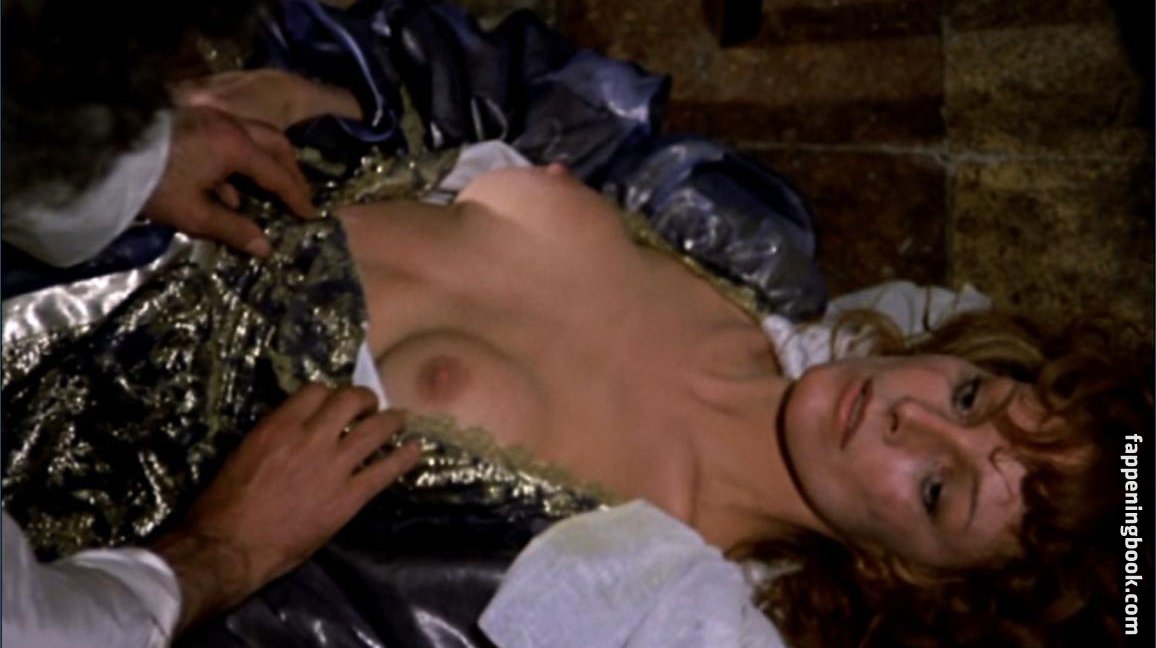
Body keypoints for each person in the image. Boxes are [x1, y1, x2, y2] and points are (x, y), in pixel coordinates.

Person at [5, 70, 1150, 648]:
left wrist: (208, 556)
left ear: (913, 583)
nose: (913, 419)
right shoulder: (751, 254)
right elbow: (478, 73)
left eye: (939, 488)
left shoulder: (635, 602)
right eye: (969, 394)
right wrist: (288, 97)